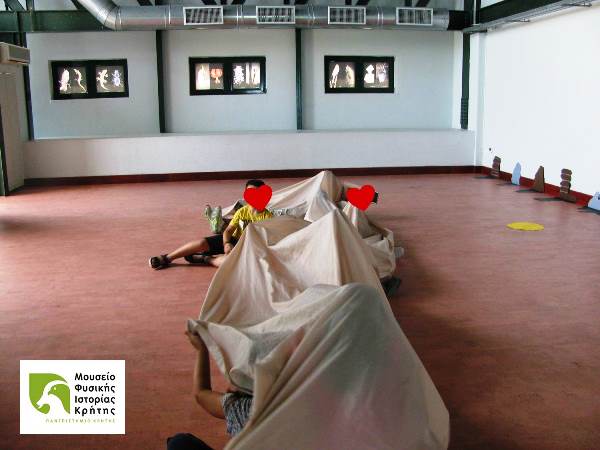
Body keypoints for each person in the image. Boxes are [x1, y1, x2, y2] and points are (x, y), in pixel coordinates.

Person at [149, 180, 273, 269]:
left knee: (229, 263)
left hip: (248, 246)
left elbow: (266, 241)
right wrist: (227, 243)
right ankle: (167, 258)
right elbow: (228, 231)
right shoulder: (242, 211)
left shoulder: (268, 217)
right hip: (233, 240)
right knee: (201, 243)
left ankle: (206, 258)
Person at [166, 329, 253, 450]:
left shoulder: (242, 408)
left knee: (178, 443)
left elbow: (201, 393)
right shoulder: (281, 405)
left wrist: (201, 349)